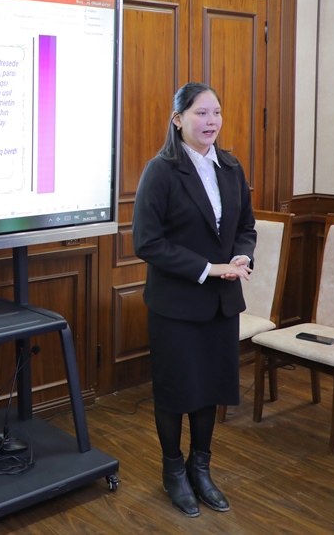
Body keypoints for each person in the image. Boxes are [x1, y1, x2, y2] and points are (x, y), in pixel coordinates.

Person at [131, 82, 255, 518]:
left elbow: (246, 227)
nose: (211, 121)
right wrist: (208, 268)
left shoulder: (232, 167)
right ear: (178, 119)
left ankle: (201, 470)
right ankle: (173, 472)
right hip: (176, 306)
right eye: (201, 113)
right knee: (176, 392)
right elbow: (147, 242)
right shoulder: (161, 171)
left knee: (210, 390)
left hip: (221, 304)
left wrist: (241, 256)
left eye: (216, 112)